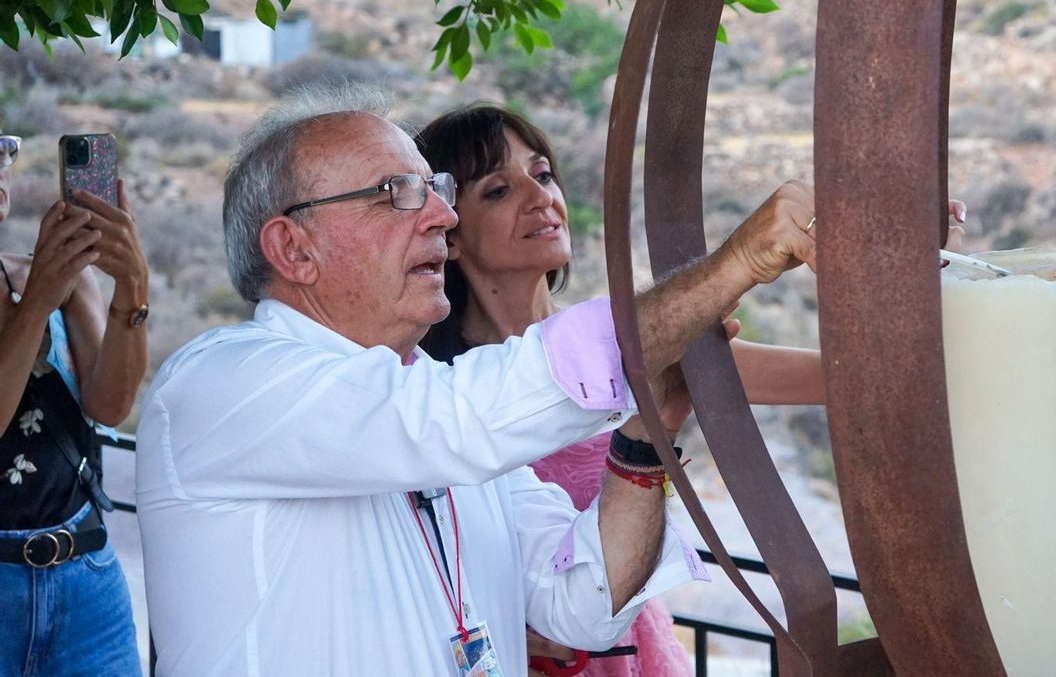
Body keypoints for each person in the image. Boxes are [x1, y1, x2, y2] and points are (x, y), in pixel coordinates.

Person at [135, 87, 819, 676]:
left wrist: (646, 435)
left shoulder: (440, 401)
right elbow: (456, 421)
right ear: (294, 249)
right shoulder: (223, 385)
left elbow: (583, 606)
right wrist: (735, 264)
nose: (442, 214)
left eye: (432, 190)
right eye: (395, 195)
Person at [415, 104, 831, 675]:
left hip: (637, 656)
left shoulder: (618, 340)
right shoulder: (436, 395)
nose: (541, 199)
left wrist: (925, 275)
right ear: (449, 237)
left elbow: (830, 379)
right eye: (497, 191)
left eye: (542, 174)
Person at [0, 131, 150, 676]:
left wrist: (132, 285)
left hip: (85, 578)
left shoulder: (56, 275)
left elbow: (110, 405)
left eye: (2, 148)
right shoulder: (45, 282)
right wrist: (37, 300)